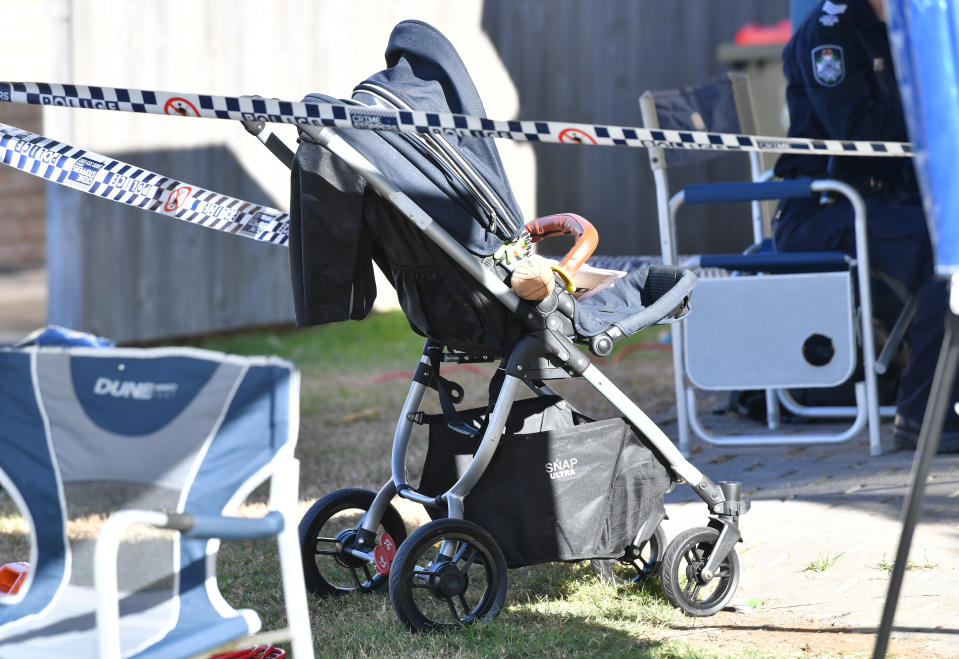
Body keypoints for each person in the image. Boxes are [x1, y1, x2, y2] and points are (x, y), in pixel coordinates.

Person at [772, 0, 959, 451]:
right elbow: (856, 131)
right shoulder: (829, 29)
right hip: (826, 208)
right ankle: (924, 413)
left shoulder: (921, 21)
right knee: (949, 249)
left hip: (891, 201)